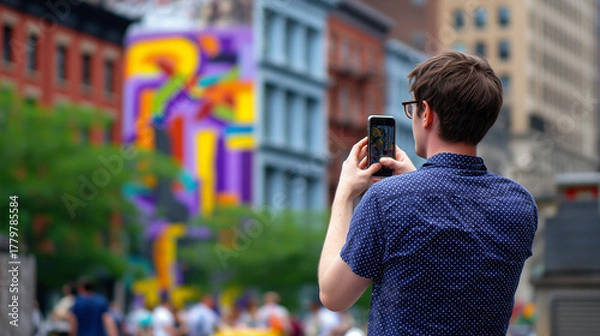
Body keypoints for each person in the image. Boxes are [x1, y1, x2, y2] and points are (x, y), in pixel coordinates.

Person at [318, 51, 538, 335]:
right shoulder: (519, 204)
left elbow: (333, 296)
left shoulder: (386, 199)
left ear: (427, 113)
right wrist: (416, 183)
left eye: (412, 109)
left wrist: (345, 193)